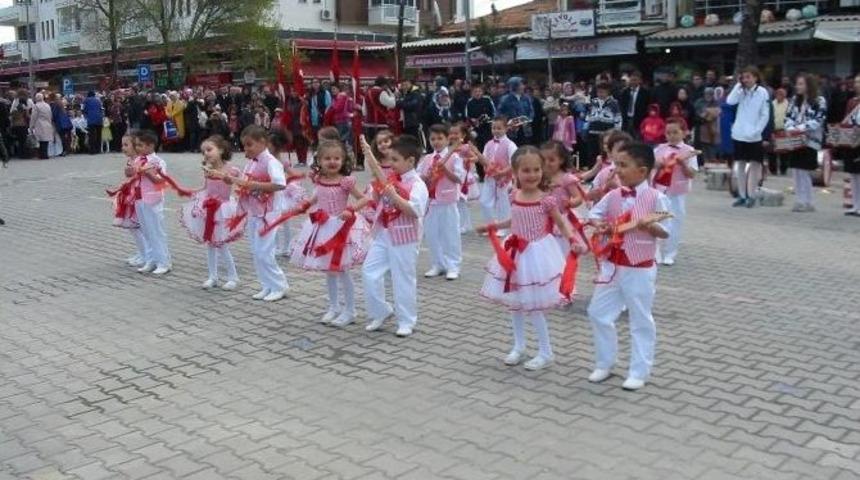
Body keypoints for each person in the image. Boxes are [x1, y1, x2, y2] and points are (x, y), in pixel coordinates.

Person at [476, 146, 585, 371]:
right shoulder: (513, 195)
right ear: (515, 172)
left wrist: (573, 240)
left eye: (537, 169)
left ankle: (546, 352)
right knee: (515, 305)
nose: (533, 174)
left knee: (534, 307)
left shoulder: (547, 200)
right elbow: (513, 221)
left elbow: (561, 223)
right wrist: (492, 226)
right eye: (526, 170)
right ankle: (519, 346)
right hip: (514, 254)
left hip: (537, 255)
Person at [586, 142, 671, 391]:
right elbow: (594, 214)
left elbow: (665, 231)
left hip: (639, 267)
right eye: (616, 164)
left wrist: (649, 225)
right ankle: (605, 362)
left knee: (640, 318)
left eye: (623, 165)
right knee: (597, 312)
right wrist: (599, 225)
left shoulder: (658, 198)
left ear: (642, 171)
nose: (618, 170)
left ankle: (639, 370)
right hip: (612, 265)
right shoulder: (613, 194)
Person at [288, 140, 370, 327]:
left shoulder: (345, 182)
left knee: (342, 271)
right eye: (327, 158)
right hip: (323, 228)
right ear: (319, 160)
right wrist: (307, 203)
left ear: (343, 160)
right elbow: (317, 195)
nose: (332, 162)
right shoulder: (320, 180)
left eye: (336, 158)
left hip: (341, 228)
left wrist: (351, 208)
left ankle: (350, 310)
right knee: (329, 272)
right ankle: (333, 307)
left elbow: (365, 199)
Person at [359, 134, 429, 337]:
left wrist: (392, 195)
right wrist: (368, 153)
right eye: (391, 160)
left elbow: (414, 211)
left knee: (402, 279)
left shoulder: (417, 184)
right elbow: (378, 175)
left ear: (411, 161)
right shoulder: (392, 178)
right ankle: (381, 311)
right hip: (385, 233)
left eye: (396, 160)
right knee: (369, 272)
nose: (392, 164)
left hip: (405, 237)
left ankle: (407, 320)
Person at [224, 125, 289, 301]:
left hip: (268, 213)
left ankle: (279, 285)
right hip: (254, 212)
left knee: (265, 252)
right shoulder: (251, 163)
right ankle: (266, 285)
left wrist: (250, 185)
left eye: (249, 145)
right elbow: (246, 182)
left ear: (262, 142)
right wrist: (233, 179)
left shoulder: (271, 162)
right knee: (256, 250)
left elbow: (279, 184)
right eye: (244, 145)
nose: (246, 149)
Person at [178, 135, 243, 290]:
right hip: (208, 208)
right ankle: (212, 276)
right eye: (203, 151)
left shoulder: (231, 170)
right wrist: (190, 192)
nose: (206, 153)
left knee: (221, 244)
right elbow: (205, 188)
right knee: (210, 244)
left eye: (209, 149)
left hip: (222, 210)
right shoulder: (208, 170)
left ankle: (233, 277)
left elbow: (239, 184)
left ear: (221, 150)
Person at [418, 123, 465, 281]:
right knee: (432, 235)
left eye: (440, 138)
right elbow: (419, 177)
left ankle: (453, 266)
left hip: (447, 201)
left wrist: (445, 170)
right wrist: (425, 177)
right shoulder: (427, 159)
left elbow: (460, 178)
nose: (436, 142)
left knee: (450, 235)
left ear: (447, 139)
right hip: (431, 202)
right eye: (433, 139)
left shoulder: (454, 157)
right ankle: (437, 264)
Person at [652, 118, 699, 265]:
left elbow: (692, 173)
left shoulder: (689, 151)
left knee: (675, 222)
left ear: (684, 133)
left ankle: (670, 253)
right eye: (668, 133)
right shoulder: (659, 149)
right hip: (659, 190)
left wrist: (683, 164)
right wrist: (657, 164)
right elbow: (650, 166)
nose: (671, 136)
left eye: (675, 132)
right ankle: (656, 251)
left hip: (677, 191)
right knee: (658, 220)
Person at [726, 66, 771, 207]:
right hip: (739, 134)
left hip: (754, 136)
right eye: (743, 77)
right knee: (740, 164)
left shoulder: (762, 92)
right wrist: (738, 85)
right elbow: (730, 101)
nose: (746, 80)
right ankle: (742, 195)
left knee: (755, 165)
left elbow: (765, 114)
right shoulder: (740, 91)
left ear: (755, 78)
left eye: (748, 77)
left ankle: (752, 195)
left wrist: (757, 130)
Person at [133, 130, 174, 276]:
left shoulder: (157, 161)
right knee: (146, 231)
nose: (137, 148)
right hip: (139, 198)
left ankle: (164, 262)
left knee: (157, 231)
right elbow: (130, 174)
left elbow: (160, 181)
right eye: (136, 145)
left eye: (140, 145)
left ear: (150, 146)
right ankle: (151, 259)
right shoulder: (138, 159)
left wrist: (148, 173)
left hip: (153, 200)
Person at [784, 73, 827, 213]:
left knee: (804, 171)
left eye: (801, 84)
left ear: (809, 85)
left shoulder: (819, 100)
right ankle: (799, 199)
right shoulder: (794, 100)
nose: (798, 86)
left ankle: (807, 201)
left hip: (810, 140)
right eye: (797, 84)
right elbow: (788, 116)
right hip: (795, 139)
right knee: (795, 170)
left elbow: (819, 119)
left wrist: (801, 128)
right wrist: (790, 128)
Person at [107, 134, 148, 267]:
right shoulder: (131, 160)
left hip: (136, 197)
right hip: (129, 196)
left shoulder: (140, 160)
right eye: (122, 145)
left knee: (137, 227)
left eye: (126, 145)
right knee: (133, 228)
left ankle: (146, 254)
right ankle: (142, 252)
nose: (123, 147)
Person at [541, 140, 587, 259]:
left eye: (551, 160)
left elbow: (578, 197)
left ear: (560, 160)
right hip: (543, 217)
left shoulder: (566, 178)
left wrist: (571, 203)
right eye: (543, 159)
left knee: (560, 249)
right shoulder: (541, 176)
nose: (547, 163)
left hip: (561, 218)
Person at [477, 117, 517, 236]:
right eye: (494, 128)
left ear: (506, 129)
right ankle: (490, 226)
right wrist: (486, 168)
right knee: (484, 201)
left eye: (499, 128)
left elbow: (514, 162)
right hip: (490, 178)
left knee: (503, 203)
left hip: (504, 179)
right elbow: (484, 159)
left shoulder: (510, 145)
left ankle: (503, 228)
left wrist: (502, 173)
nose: (496, 130)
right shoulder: (488, 144)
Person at [585, 83, 623, 168]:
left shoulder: (613, 103)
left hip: (606, 132)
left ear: (608, 92)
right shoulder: (593, 102)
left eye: (602, 92)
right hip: (593, 131)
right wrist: (586, 126)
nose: (600, 94)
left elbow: (618, 118)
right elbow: (588, 115)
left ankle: (604, 171)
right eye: (599, 92)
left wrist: (617, 130)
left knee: (605, 152)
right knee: (592, 153)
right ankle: (592, 173)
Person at [840, 74, 860, 216]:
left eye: (859, 82)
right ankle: (855, 204)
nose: (857, 84)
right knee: (853, 174)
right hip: (851, 139)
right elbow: (846, 119)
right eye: (856, 82)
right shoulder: (851, 101)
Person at [619, 71, 650, 138]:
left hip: (639, 120)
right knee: (626, 138)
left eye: (635, 80)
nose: (633, 82)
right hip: (627, 119)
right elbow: (622, 105)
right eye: (632, 80)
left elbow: (646, 106)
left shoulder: (645, 93)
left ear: (640, 81)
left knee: (638, 138)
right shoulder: (625, 92)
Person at [695, 88, 721, 166]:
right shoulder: (699, 102)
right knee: (702, 148)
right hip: (701, 128)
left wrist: (707, 112)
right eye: (707, 93)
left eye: (710, 94)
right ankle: (704, 165)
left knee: (712, 148)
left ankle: (712, 164)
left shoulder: (716, 102)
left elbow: (717, 112)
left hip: (713, 129)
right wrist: (708, 113)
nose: (708, 95)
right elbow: (698, 114)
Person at [769, 88, 790, 175]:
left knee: (784, 152)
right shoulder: (772, 104)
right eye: (778, 94)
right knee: (772, 151)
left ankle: (783, 169)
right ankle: (773, 169)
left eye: (781, 95)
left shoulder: (788, 104)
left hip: (783, 130)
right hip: (773, 129)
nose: (779, 96)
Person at [29, 93, 55, 160]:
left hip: (39, 124)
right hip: (47, 123)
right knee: (45, 140)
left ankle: (42, 155)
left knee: (41, 140)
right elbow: (50, 115)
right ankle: (45, 154)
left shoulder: (36, 106)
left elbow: (33, 117)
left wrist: (31, 126)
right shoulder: (47, 105)